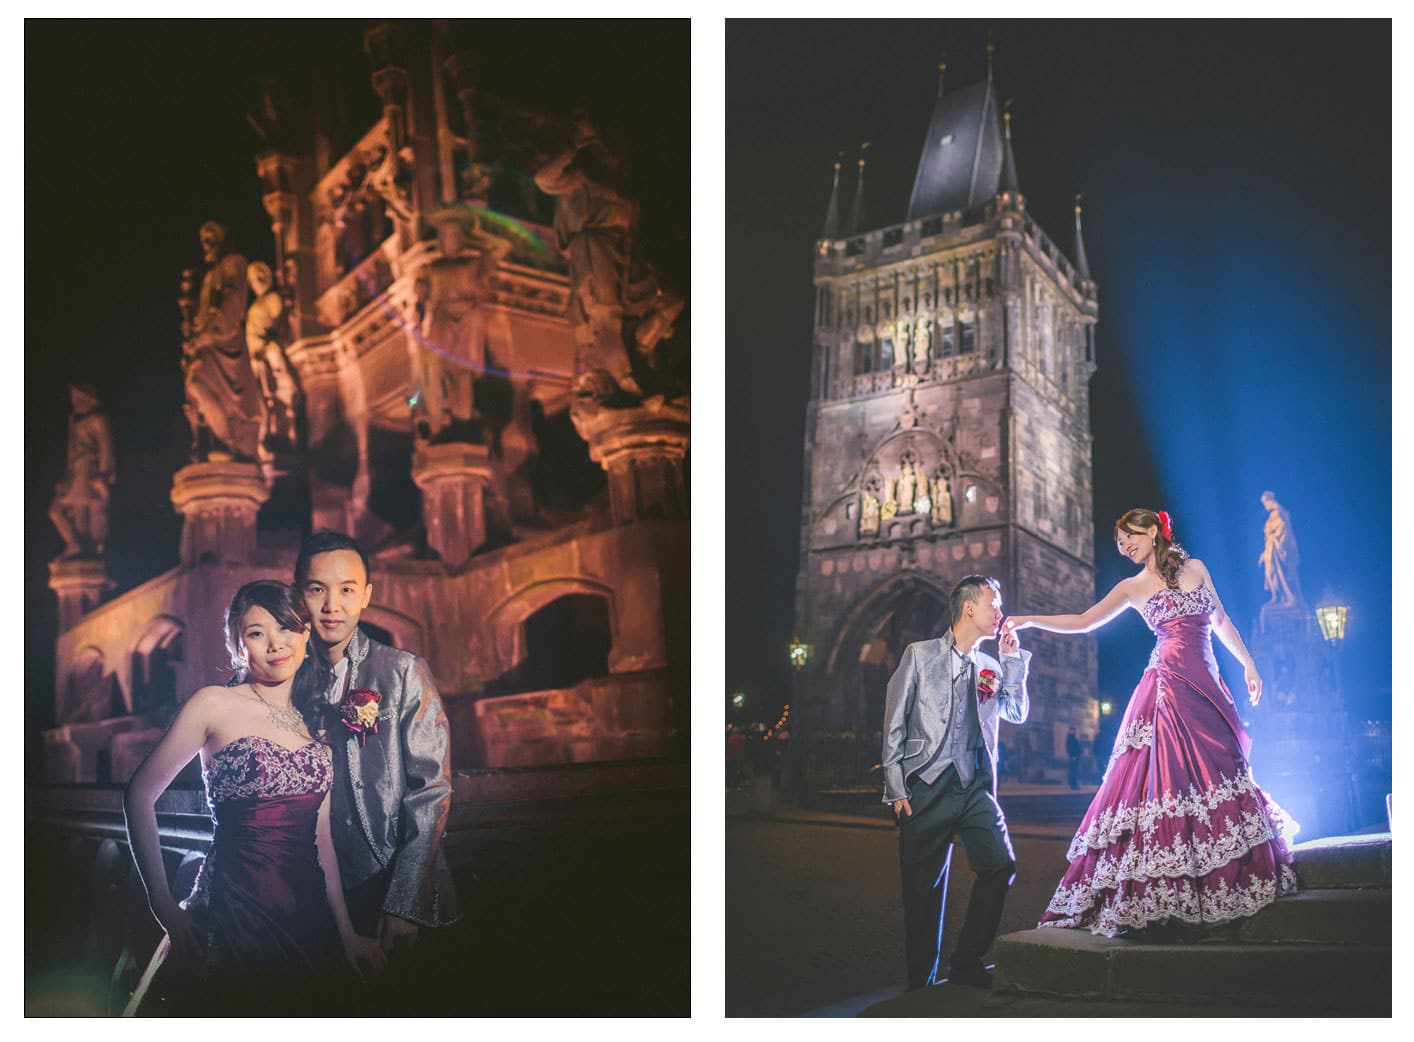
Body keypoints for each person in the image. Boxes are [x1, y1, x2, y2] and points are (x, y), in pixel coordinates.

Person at [1008, 508, 1297, 937]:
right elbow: (1085, 621)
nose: (1125, 547)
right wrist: (1029, 620)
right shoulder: (1132, 587)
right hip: (1166, 690)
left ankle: (1226, 875)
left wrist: (1250, 665)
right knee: (1167, 783)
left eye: (1130, 537)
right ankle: (1172, 891)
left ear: (1154, 531)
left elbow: (1219, 621)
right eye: (1120, 542)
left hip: (1208, 686)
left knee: (1224, 771)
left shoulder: (1196, 568)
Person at [123, 581, 385, 1015]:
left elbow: (322, 845)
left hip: (308, 918)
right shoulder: (214, 704)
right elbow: (138, 795)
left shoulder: (315, 725)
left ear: (305, 637)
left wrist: (347, 934)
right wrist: (163, 903)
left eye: (286, 628)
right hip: (231, 911)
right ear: (237, 645)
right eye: (256, 633)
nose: (275, 644)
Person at [292, 530, 461, 1012]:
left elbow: (431, 789)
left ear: (367, 595)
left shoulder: (402, 670)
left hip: (394, 886)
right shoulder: (287, 678)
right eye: (316, 588)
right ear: (298, 594)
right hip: (321, 896)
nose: (332, 605)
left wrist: (405, 899)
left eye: (347, 589)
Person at [881, 574, 1031, 990]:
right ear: (970, 608)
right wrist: (896, 787)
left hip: (973, 787)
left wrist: (1012, 662)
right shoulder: (919, 655)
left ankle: (966, 959)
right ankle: (921, 988)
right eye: (993, 604)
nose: (999, 612)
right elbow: (894, 721)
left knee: (1000, 866)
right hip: (924, 788)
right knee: (922, 897)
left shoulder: (989, 666)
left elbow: (1016, 712)